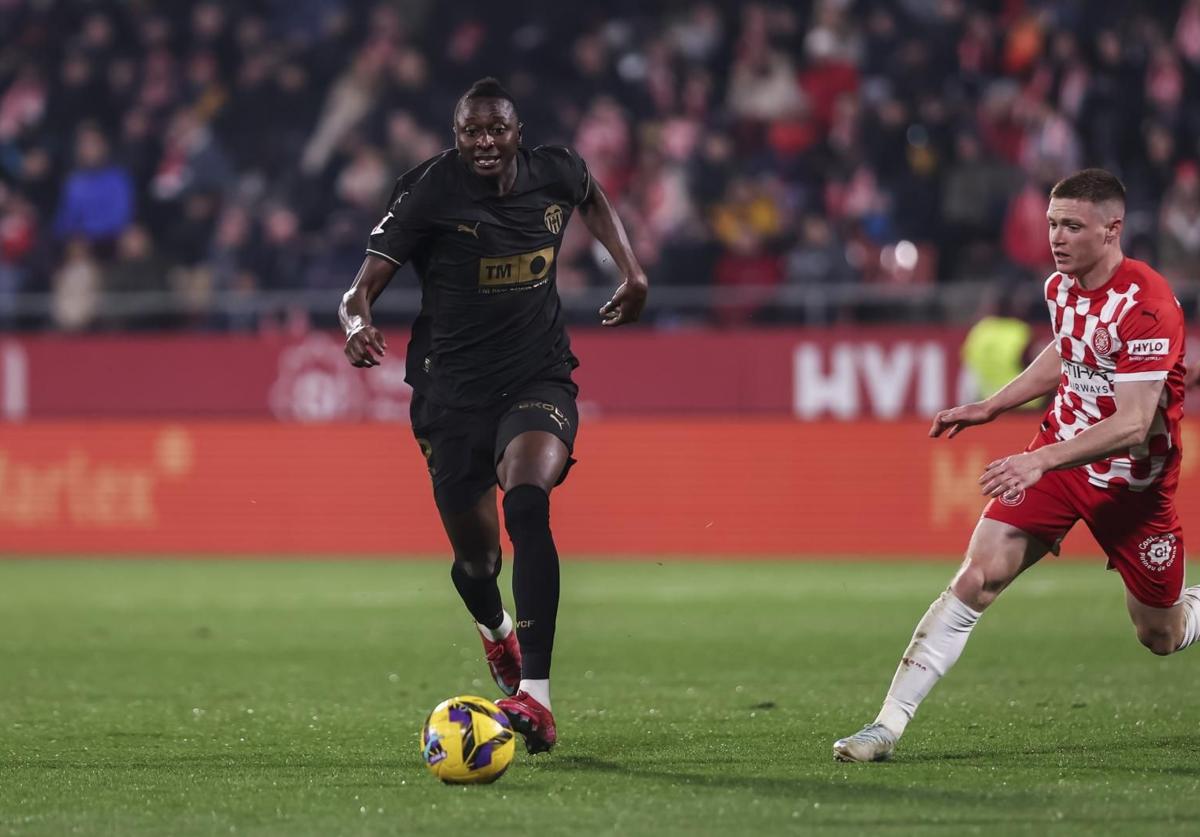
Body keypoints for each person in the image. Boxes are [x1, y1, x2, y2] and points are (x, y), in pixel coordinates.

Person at [833, 168, 1200, 762]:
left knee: (1160, 634)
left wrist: (1039, 461)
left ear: (1112, 229)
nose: (1056, 237)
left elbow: (1134, 425)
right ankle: (885, 726)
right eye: (1053, 223)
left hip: (1134, 485)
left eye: (1072, 226)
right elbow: (1068, 351)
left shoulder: (1149, 305)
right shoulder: (1060, 288)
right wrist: (992, 405)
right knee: (977, 577)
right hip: (1058, 462)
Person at [338, 78, 648, 754]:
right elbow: (359, 289)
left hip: (537, 376)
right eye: (470, 132)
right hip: (450, 396)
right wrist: (356, 324)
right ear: (457, 135)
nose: (484, 142)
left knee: (528, 501)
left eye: (495, 130)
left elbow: (592, 196)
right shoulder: (428, 190)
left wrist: (629, 268)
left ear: (516, 131)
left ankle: (534, 696)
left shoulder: (555, 171)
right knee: (477, 562)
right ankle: (497, 631)